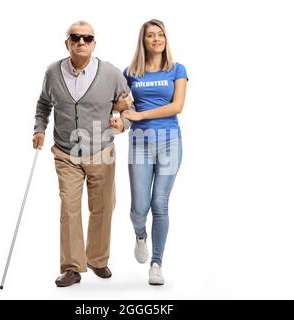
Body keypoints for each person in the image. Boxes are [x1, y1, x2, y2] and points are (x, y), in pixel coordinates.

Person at [32, 21, 131, 287]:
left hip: (101, 151)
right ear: (67, 43)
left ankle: (98, 259)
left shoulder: (111, 73)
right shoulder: (53, 72)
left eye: (87, 38)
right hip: (66, 153)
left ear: (94, 43)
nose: (81, 42)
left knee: (102, 208)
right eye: (75, 37)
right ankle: (73, 267)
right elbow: (43, 103)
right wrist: (39, 129)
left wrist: (123, 122)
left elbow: (128, 107)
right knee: (69, 209)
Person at [121, 19, 188, 285]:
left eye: (160, 35)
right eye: (151, 35)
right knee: (139, 207)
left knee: (160, 203)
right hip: (139, 141)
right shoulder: (130, 73)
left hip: (170, 139)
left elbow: (177, 106)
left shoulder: (177, 69)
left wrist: (141, 114)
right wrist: (124, 119)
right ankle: (140, 235)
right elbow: (123, 109)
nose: (157, 39)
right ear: (143, 40)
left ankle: (156, 263)